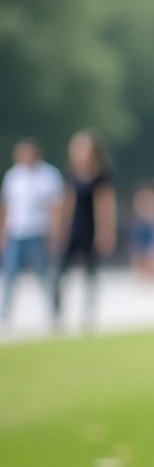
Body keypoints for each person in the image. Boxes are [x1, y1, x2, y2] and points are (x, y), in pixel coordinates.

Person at [51, 130, 117, 331]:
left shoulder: (101, 176)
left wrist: (106, 233)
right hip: (73, 228)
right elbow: (65, 204)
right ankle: (57, 313)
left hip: (91, 229)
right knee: (60, 273)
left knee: (90, 274)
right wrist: (59, 229)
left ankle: (88, 315)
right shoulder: (70, 175)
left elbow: (105, 206)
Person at [0, 139, 63, 327]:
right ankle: (6, 312)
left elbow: (56, 207)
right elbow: (7, 207)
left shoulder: (48, 176)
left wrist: (55, 232)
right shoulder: (14, 176)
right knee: (10, 274)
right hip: (16, 232)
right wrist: (3, 233)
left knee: (43, 274)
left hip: (39, 232)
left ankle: (53, 311)